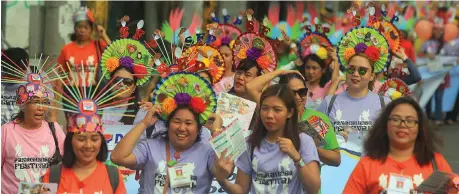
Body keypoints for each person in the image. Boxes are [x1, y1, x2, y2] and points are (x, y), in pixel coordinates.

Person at [110, 73, 227, 194]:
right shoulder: (150, 147)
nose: (182, 128)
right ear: (168, 124)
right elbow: (117, 157)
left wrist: (216, 131)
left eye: (188, 123)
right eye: (176, 121)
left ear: (198, 128)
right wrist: (144, 123)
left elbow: (223, 171)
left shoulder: (207, 152)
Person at [216, 84, 321, 194]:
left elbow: (314, 188)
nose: (269, 115)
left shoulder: (303, 141)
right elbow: (241, 190)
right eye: (265, 108)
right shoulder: (250, 144)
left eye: (277, 110)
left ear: (290, 113)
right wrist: (222, 179)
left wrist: (297, 158)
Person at [343, 97, 455, 193]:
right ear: (385, 125)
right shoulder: (366, 165)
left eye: (410, 121)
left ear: (420, 128)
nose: (402, 125)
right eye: (396, 119)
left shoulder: (436, 163)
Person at [1, 83, 65, 194]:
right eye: (35, 102)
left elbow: (68, 166)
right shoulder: (6, 132)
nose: (41, 108)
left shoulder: (54, 129)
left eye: (44, 102)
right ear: (23, 105)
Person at [50, 7, 111, 123]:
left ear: (91, 29)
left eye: (86, 27)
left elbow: (116, 54)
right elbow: (60, 78)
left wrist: (103, 35)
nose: (82, 30)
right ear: (75, 28)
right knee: (73, 127)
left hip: (93, 92)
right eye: (79, 27)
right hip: (71, 94)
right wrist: (54, 109)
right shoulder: (67, 49)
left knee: (92, 125)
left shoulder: (98, 45)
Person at [41, 123, 126, 193]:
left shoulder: (113, 175)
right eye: (81, 139)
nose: (88, 145)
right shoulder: (53, 174)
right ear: (70, 141)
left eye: (94, 139)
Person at [1, 48, 29, 125]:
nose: (14, 73)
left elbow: (49, 110)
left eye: (21, 69)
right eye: (10, 69)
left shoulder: (36, 79)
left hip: (23, 131)